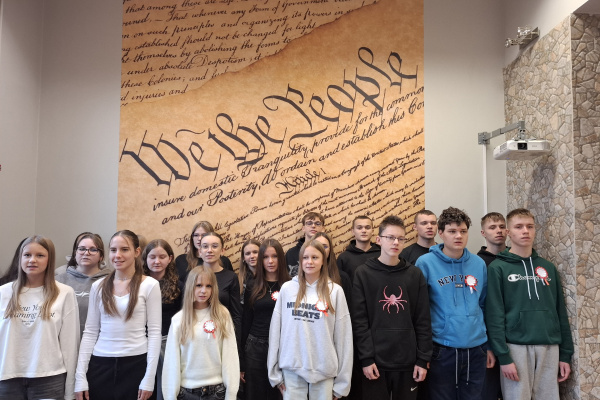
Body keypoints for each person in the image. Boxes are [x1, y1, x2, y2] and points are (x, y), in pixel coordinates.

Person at [486, 208, 573, 399]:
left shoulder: (548, 267)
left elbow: (560, 311)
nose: (525, 231)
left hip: (549, 346)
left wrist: (565, 354)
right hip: (515, 346)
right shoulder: (497, 268)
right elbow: (494, 315)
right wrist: (503, 356)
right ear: (508, 232)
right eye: (519, 227)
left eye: (530, 226)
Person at [75, 230, 161, 400]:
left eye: (124, 249)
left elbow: (154, 333)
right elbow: (90, 332)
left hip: (136, 364)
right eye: (113, 250)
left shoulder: (150, 285)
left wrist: (149, 378)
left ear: (137, 252)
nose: (117, 255)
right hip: (100, 365)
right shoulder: (98, 286)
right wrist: (80, 377)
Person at [415, 207, 491, 400]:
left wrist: (489, 345)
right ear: (440, 233)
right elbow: (420, 310)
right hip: (442, 348)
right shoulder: (425, 263)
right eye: (452, 231)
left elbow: (484, 304)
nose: (458, 236)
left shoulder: (478, 264)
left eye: (463, 231)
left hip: (477, 347)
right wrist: (423, 353)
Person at [352, 215, 431, 400]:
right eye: (390, 237)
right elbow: (359, 321)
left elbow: (423, 319)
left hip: (408, 361)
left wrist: (423, 359)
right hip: (375, 361)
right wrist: (366, 358)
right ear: (378, 240)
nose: (396, 242)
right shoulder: (363, 273)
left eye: (400, 238)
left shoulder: (415, 274)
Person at [268, 240, 353, 400]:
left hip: (324, 371)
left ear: (323, 261)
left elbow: (344, 338)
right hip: (292, 370)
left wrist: (342, 383)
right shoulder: (287, 289)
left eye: (315, 257)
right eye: (305, 257)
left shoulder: (335, 291)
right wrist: (274, 374)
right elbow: (275, 332)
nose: (310, 262)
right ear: (300, 261)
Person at [0, 236, 79, 399]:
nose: (32, 260)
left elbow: (70, 346)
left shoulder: (65, 293)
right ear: (20, 258)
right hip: (7, 378)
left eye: (40, 255)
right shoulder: (3, 292)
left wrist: (71, 390)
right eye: (27, 255)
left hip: (49, 379)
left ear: (50, 259)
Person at [162, 267, 239, 400]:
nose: (203, 290)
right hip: (187, 393)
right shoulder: (178, 320)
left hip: (217, 392)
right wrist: (170, 396)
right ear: (190, 287)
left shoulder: (222, 315)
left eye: (208, 286)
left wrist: (231, 394)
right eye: (198, 285)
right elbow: (171, 362)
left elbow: (230, 356)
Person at [241, 239, 290, 400]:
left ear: (281, 258)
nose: (270, 261)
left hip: (283, 347)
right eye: (265, 257)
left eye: (274, 256)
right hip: (255, 347)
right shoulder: (253, 285)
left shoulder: (290, 285)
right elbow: (246, 321)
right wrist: (241, 361)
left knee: (280, 393)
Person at [143, 239, 184, 400]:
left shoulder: (179, 286)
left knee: (164, 387)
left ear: (170, 258)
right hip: (142, 342)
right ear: (145, 258)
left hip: (168, 343)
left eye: (162, 257)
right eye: (152, 257)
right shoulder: (137, 283)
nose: (157, 261)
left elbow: (183, 318)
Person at [56, 232, 112, 336]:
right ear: (75, 253)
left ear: (101, 256)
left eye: (93, 249)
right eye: (81, 249)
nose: (86, 253)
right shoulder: (58, 281)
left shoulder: (110, 282)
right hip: (65, 340)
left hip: (100, 341)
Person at [477, 212, 507, 400]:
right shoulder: (477, 263)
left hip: (514, 337)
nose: (499, 231)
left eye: (502, 227)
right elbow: (478, 304)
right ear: (483, 233)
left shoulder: (515, 259)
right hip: (487, 340)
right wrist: (486, 344)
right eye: (492, 227)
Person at [198, 232, 242, 350]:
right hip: (197, 337)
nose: (209, 250)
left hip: (223, 336)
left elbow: (236, 315)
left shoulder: (231, 277)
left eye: (214, 246)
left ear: (222, 251)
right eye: (205, 246)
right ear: (200, 251)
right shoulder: (193, 276)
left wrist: (236, 347)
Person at [336, 215, 380, 283]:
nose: (364, 231)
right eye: (359, 228)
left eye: (367, 227)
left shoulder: (382, 254)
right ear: (353, 231)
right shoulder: (343, 258)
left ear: (372, 231)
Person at [314, 232, 352, 302]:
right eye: (317, 246)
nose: (321, 249)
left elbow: (349, 306)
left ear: (330, 250)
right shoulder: (303, 277)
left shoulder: (343, 278)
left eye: (325, 247)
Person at [285, 212, 325, 277]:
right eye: (309, 223)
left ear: (323, 229)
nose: (313, 226)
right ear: (303, 228)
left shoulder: (326, 251)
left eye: (317, 224)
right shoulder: (291, 253)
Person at [239, 239, 261, 305]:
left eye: (255, 252)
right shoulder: (239, 280)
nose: (252, 256)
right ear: (244, 258)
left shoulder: (269, 276)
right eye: (248, 253)